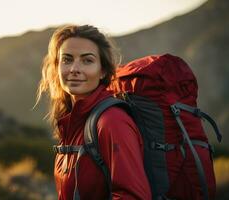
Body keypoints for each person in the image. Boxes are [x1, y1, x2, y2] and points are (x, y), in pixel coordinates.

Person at [36, 24, 152, 200]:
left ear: (103, 71)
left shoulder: (111, 121)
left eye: (87, 60)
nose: (74, 69)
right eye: (67, 60)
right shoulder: (72, 122)